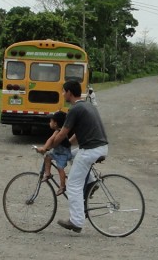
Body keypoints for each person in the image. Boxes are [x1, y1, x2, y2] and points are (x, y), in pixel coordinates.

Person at [36, 80, 108, 233]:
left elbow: (62, 133)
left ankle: (76, 222)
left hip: (90, 150)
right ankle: (92, 182)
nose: (62, 94)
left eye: (63, 91)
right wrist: (67, 145)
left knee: (73, 185)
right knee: (70, 156)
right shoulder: (87, 105)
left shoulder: (74, 109)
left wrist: (47, 148)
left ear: (69, 92)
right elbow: (75, 134)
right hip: (100, 147)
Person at [35, 111, 73, 196]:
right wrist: (44, 148)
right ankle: (48, 174)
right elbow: (50, 140)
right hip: (57, 152)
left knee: (60, 168)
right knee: (47, 157)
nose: (50, 123)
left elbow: (51, 140)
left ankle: (62, 186)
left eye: (50, 121)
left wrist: (44, 148)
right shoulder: (58, 131)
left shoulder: (60, 132)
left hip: (63, 154)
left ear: (55, 123)